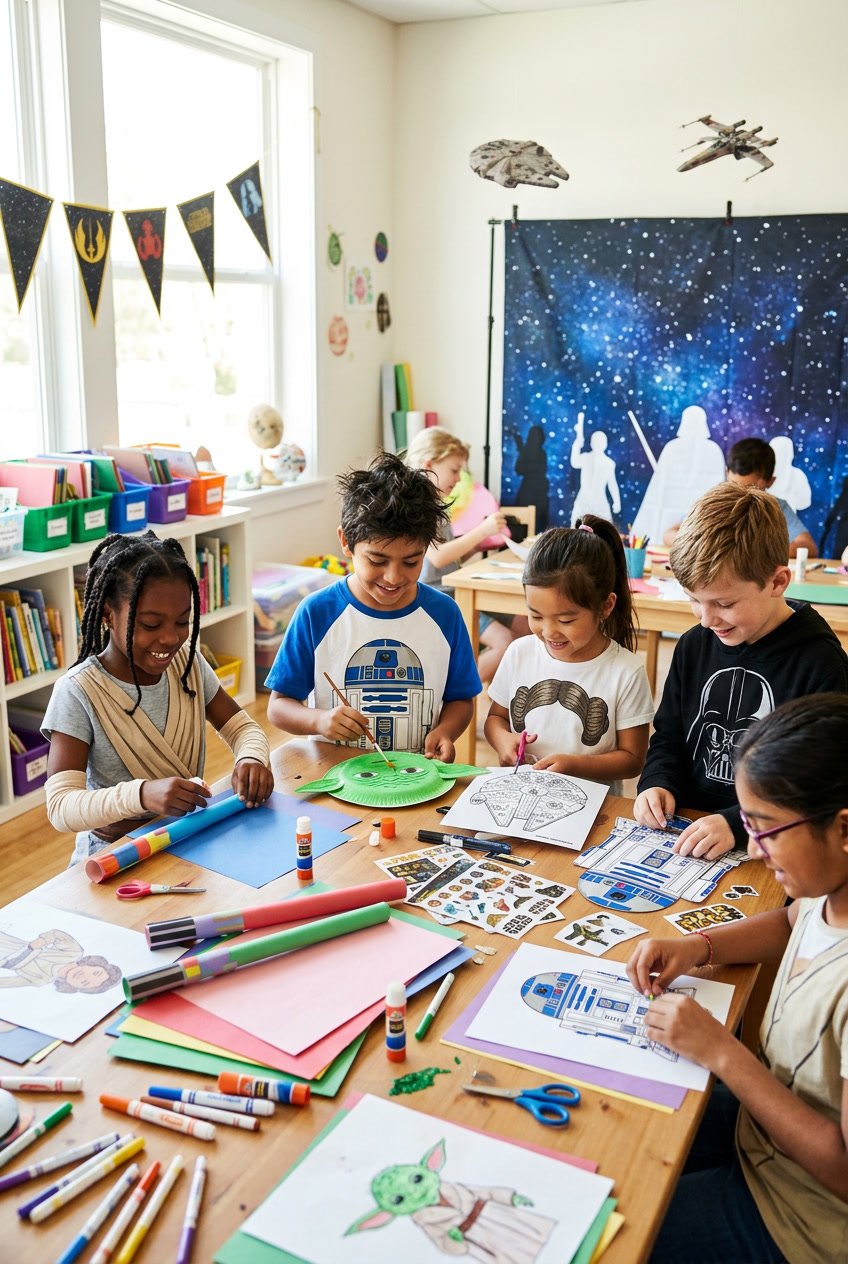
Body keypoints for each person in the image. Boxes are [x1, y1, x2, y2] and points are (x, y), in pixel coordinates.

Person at [627, 693, 848, 1264]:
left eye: (767, 828)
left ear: (843, 828)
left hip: (800, 1218)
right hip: (762, 1133)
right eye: (746, 822)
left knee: (622, 1233)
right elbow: (787, 923)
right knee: (621, 1135)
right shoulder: (826, 892)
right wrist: (696, 946)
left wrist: (722, 1052)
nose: (752, 846)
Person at [634, 482, 848, 858]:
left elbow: (819, 781)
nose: (706, 619)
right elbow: (669, 736)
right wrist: (657, 783)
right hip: (686, 831)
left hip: (770, 847)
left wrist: (738, 823)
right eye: (694, 601)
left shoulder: (821, 664)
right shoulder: (694, 645)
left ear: (777, 582)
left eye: (724, 603)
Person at [42, 531, 273, 866]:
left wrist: (250, 759)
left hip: (186, 838)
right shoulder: (79, 691)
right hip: (114, 859)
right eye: (150, 624)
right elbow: (61, 806)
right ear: (108, 615)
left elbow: (242, 728)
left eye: (183, 622)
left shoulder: (188, 664)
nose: (170, 638)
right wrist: (141, 795)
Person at [265, 452, 481, 762]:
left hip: (417, 776)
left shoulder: (445, 613)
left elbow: (461, 699)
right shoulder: (316, 612)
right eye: (377, 560)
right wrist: (320, 721)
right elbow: (279, 706)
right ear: (345, 542)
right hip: (334, 775)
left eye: (411, 561)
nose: (394, 577)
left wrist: (445, 731)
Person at [484, 517, 654, 793]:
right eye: (536, 615)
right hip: (519, 794)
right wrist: (503, 740)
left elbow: (633, 760)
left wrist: (574, 765)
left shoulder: (626, 670)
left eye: (565, 620)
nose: (549, 632)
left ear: (606, 606)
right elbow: (496, 719)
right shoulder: (519, 652)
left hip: (593, 808)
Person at [405, 426, 526, 682]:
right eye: (454, 469)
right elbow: (437, 557)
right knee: (503, 643)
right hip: (440, 596)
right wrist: (481, 531)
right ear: (429, 464)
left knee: (526, 626)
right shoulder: (418, 509)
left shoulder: (436, 506)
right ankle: (454, 692)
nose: (459, 478)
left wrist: (476, 546)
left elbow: (445, 559)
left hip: (455, 589)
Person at [663, 436, 818, 558]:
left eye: (752, 489)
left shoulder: (776, 507)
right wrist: (705, 544)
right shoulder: (714, 502)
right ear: (726, 473)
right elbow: (669, 535)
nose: (742, 496)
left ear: (770, 482)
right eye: (734, 486)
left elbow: (808, 547)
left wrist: (754, 551)